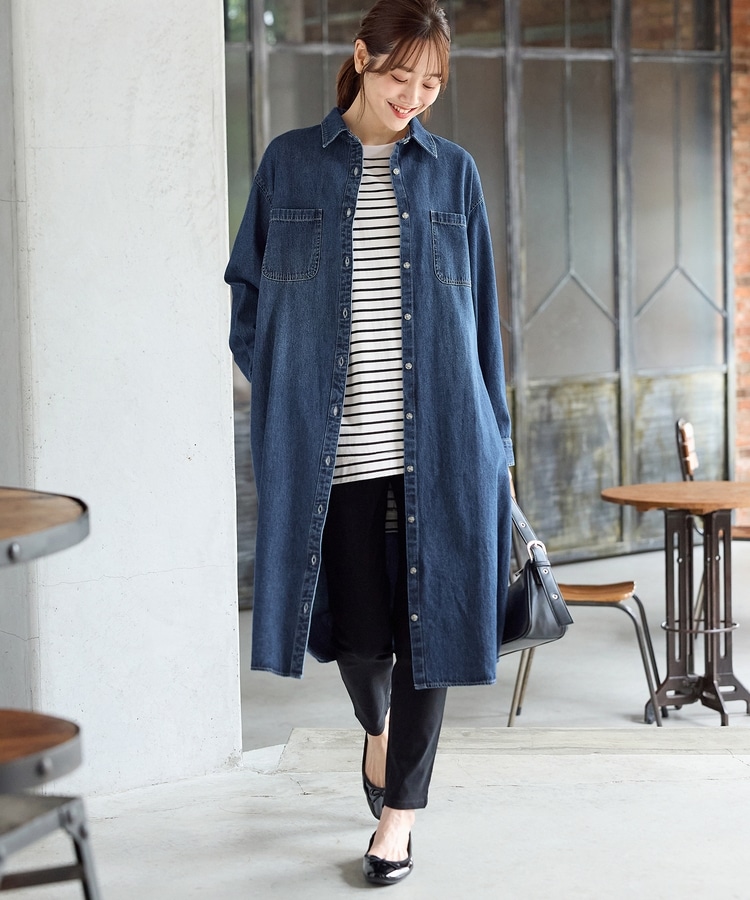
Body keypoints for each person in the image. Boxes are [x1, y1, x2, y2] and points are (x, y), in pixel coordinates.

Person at [226, 0, 514, 885]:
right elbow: (247, 296)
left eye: (431, 83)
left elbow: (483, 321)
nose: (414, 96)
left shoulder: (453, 174)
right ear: (362, 58)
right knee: (359, 637)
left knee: (432, 630)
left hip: (444, 445)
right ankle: (376, 730)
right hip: (335, 454)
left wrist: (496, 441)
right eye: (401, 77)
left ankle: (400, 817)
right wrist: (285, 388)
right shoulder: (290, 164)